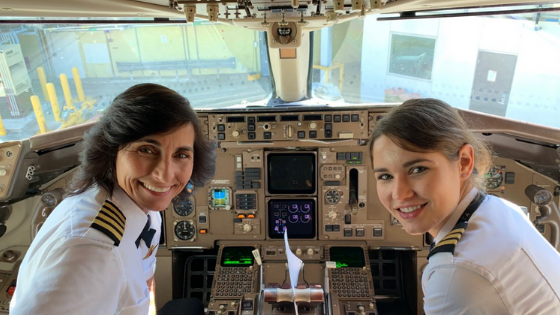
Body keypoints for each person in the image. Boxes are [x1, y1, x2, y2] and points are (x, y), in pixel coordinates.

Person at [10, 83, 215, 315]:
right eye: (146, 150)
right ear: (111, 150)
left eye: (181, 154)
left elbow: (143, 281)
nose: (165, 175)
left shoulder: (141, 210)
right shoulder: (92, 252)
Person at [370, 98, 560, 314]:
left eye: (418, 169)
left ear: (464, 162)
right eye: (385, 176)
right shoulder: (499, 209)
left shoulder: (457, 273)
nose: (400, 194)